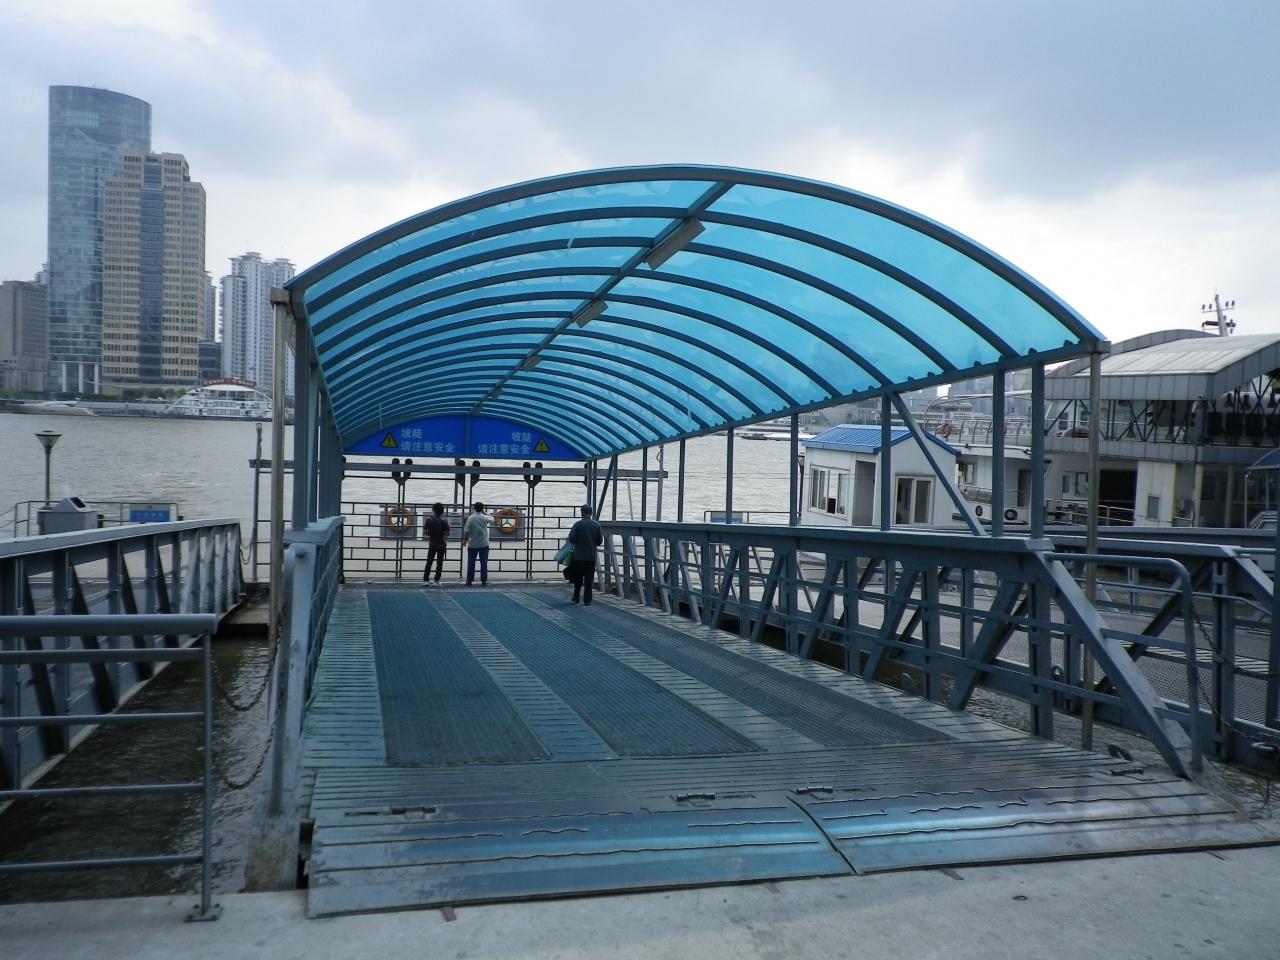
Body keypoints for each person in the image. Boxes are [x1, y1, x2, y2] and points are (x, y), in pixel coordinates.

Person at [566, 503, 603, 605]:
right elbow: (599, 541)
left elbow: (571, 538)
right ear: (591, 513)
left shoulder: (578, 524)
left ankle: (576, 597)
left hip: (578, 556)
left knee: (578, 579)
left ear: (582, 512)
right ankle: (587, 600)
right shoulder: (596, 525)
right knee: (589, 580)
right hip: (591, 557)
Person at [462, 501, 491, 586]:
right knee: (484, 563)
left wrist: (465, 541)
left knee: (471, 563)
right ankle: (484, 581)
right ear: (482, 509)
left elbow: (466, 531)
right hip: (484, 544)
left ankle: (469, 580)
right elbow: (492, 519)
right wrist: (485, 513)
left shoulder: (470, 518)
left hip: (472, 544)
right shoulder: (484, 517)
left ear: (474, 508)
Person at [422, 502, 449, 585]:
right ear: (442, 511)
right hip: (441, 544)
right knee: (439, 562)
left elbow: (425, 532)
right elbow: (447, 533)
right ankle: (436, 581)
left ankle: (426, 580)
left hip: (432, 543)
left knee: (429, 561)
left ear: (433, 510)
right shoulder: (444, 521)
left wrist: (431, 534)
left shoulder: (428, 520)